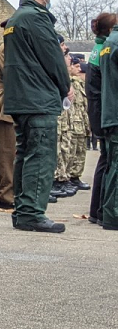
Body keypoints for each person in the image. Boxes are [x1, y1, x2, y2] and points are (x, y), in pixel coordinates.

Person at [4, 0, 71, 233]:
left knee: (25, 154)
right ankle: (32, 212)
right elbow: (52, 57)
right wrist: (65, 85)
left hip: (21, 98)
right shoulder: (36, 17)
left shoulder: (15, 19)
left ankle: (23, 211)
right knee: (41, 157)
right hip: (38, 98)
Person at [86, 13, 116, 224]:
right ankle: (102, 211)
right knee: (108, 162)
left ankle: (97, 210)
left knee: (106, 161)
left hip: (102, 112)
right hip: (105, 111)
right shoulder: (105, 49)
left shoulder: (99, 49)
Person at [52, 56, 89, 197]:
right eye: (77, 66)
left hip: (76, 121)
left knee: (74, 151)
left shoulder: (76, 84)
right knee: (62, 150)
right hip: (65, 121)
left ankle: (70, 177)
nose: (79, 69)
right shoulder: (67, 81)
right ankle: (60, 179)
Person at [0, 20, 17, 210]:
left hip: (17, 104)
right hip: (7, 105)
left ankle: (15, 192)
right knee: (8, 155)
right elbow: (14, 76)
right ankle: (6, 196)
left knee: (16, 154)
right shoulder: (5, 51)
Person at [97, 22, 118, 230]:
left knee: (112, 166)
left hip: (111, 112)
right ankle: (113, 215)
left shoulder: (109, 43)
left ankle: (107, 212)